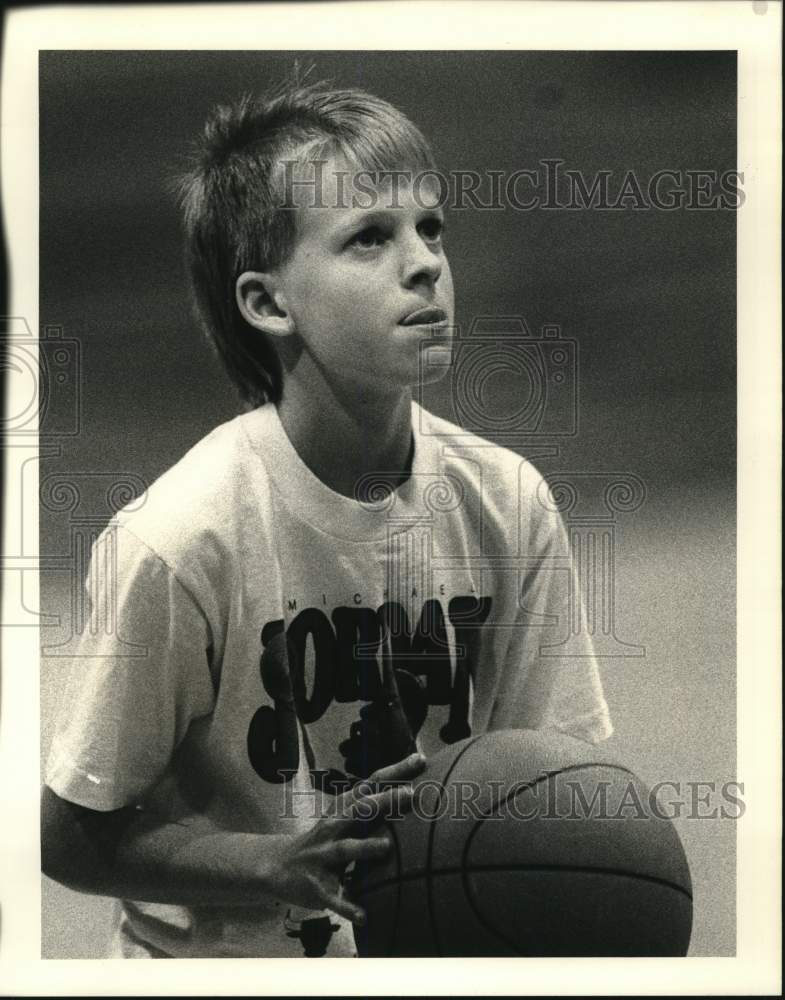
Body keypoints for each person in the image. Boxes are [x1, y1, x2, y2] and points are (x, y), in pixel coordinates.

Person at [41, 76, 613, 959]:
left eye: (431, 228)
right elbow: (70, 835)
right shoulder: (182, 540)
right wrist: (273, 863)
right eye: (369, 238)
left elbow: (537, 791)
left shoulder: (508, 503)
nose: (423, 261)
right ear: (269, 304)